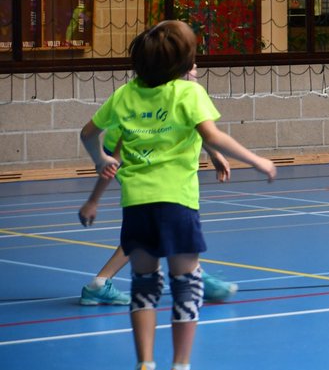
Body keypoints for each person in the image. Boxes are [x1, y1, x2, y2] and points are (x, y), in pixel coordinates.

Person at [80, 20, 276, 370]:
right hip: (177, 204)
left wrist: (100, 159)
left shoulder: (124, 95)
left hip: (136, 205)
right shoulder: (189, 94)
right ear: (186, 65)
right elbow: (212, 136)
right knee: (186, 285)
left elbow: (88, 133)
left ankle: (145, 365)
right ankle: (181, 367)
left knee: (144, 285)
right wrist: (257, 159)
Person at [78, 121, 239, 306]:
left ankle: (100, 284)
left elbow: (195, 122)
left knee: (152, 223)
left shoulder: (139, 97)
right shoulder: (157, 98)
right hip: (136, 154)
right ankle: (196, 276)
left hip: (136, 151)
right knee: (152, 223)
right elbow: (197, 123)